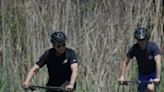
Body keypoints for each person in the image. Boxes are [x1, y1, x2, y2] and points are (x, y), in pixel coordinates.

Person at [118, 28, 161, 92]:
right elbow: (125, 62)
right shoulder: (134, 48)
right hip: (142, 75)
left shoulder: (153, 47)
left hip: (153, 73)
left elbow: (158, 61)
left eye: (143, 39)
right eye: (139, 40)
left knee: (150, 88)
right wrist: (122, 76)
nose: (141, 42)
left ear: (146, 39)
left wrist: (157, 77)